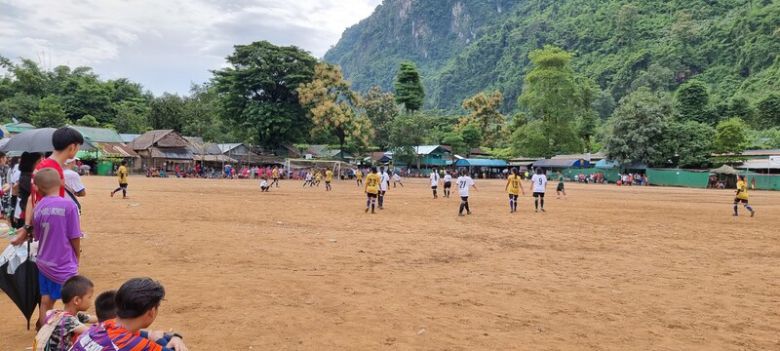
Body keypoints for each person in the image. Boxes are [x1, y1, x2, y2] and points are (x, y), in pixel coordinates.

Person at [71, 278, 188, 351]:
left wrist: (175, 337)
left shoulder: (105, 325)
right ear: (151, 312)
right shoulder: (133, 344)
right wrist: (169, 341)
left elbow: (152, 334)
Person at [30, 168, 84, 328]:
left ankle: (43, 333)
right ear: (61, 182)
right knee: (74, 300)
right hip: (64, 262)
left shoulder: (38, 207)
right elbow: (74, 236)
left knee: (46, 300)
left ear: (37, 188)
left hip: (44, 262)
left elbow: (37, 236)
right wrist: (77, 256)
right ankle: (68, 333)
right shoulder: (69, 206)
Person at [12, 127, 83, 246]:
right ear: (72, 147)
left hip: (45, 225)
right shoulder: (52, 169)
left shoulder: (45, 166)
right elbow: (35, 200)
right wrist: (28, 227)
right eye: (78, 148)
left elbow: (32, 198)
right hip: (52, 226)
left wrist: (28, 226)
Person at [34, 275, 97, 351]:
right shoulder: (67, 321)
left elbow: (93, 318)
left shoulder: (62, 315)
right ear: (76, 300)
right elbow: (92, 333)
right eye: (89, 297)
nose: (91, 301)